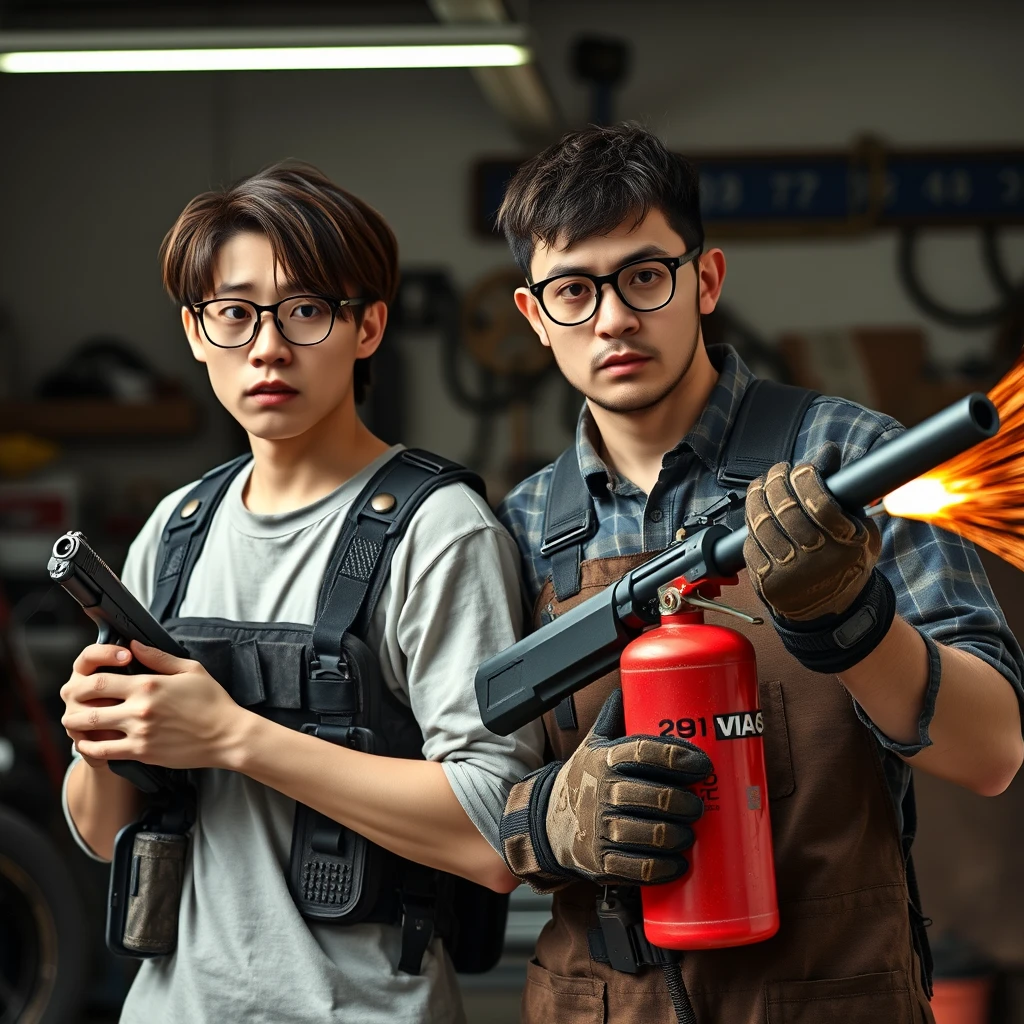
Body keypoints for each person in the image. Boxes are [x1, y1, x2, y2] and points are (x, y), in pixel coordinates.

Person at [493, 123, 1024, 1023]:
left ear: (705, 281)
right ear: (535, 317)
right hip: (599, 1004)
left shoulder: (851, 457)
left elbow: (994, 752)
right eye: (575, 291)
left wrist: (851, 622)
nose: (614, 317)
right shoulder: (519, 528)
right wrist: (547, 817)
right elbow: (470, 796)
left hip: (832, 998)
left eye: (644, 276)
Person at [59, 162, 543, 1024]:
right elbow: (103, 834)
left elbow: (492, 834)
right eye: (234, 313)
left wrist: (237, 737)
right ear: (196, 333)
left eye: (307, 310)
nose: (267, 346)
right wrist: (104, 742)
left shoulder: (440, 532)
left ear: (368, 328)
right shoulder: (175, 530)